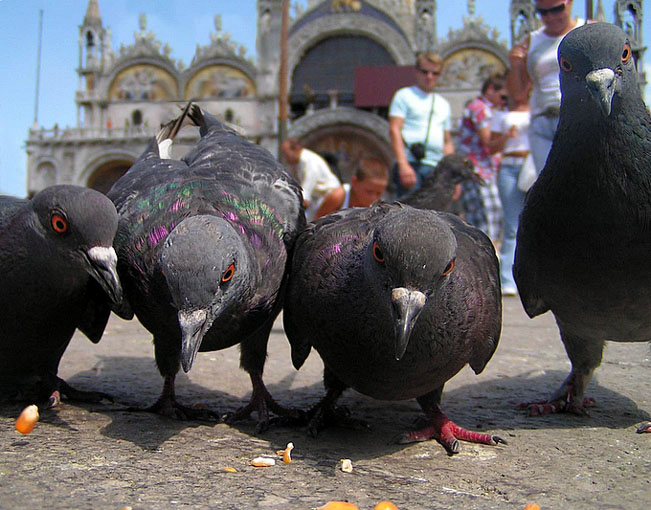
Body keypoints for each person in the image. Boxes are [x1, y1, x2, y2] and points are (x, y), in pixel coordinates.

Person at [506, 0, 583, 177]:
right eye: (543, 12)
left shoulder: (587, 30)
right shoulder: (532, 40)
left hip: (579, 118)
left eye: (557, 9)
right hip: (543, 122)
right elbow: (518, 94)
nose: (550, 17)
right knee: (550, 185)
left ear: (569, 3)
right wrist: (516, 66)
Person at [388, 52, 455, 198]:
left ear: (440, 75)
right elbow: (394, 129)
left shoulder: (443, 104)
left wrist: (453, 175)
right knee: (409, 215)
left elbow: (447, 141)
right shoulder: (403, 96)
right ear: (416, 72)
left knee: (437, 216)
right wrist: (403, 164)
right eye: (425, 72)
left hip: (436, 168)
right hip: (411, 163)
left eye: (434, 73)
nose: (429, 77)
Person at [457, 73, 508, 242]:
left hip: (476, 170)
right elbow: (489, 144)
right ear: (491, 89)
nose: (504, 101)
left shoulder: (480, 107)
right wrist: (509, 136)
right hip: (479, 170)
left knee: (475, 220)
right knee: (489, 221)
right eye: (502, 96)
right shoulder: (480, 108)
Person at [491, 93, 531, 296]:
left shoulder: (539, 107)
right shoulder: (501, 115)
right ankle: (507, 279)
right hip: (508, 166)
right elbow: (491, 148)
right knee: (512, 225)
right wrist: (507, 135)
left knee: (534, 223)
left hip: (531, 165)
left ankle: (534, 279)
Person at [280, 137, 344, 221]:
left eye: (286, 154)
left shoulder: (309, 162)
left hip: (329, 197)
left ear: (297, 149)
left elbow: (305, 196)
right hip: (317, 200)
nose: (285, 158)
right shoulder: (296, 164)